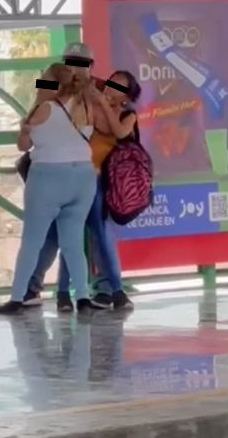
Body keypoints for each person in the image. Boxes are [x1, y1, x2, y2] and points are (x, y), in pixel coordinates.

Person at [23, 70, 142, 311]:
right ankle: (54, 292)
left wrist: (101, 101)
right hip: (70, 175)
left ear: (127, 97)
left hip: (97, 181)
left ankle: (110, 290)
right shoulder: (83, 97)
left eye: (119, 88)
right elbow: (45, 90)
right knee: (61, 234)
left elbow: (118, 132)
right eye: (110, 84)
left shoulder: (126, 114)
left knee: (97, 233)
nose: (110, 90)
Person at [0, 63, 105, 315]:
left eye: (43, 80)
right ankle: (82, 297)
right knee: (72, 242)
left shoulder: (43, 108)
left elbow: (23, 146)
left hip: (48, 177)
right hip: (83, 177)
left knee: (32, 241)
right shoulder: (86, 107)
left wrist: (29, 116)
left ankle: (17, 297)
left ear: (51, 84)